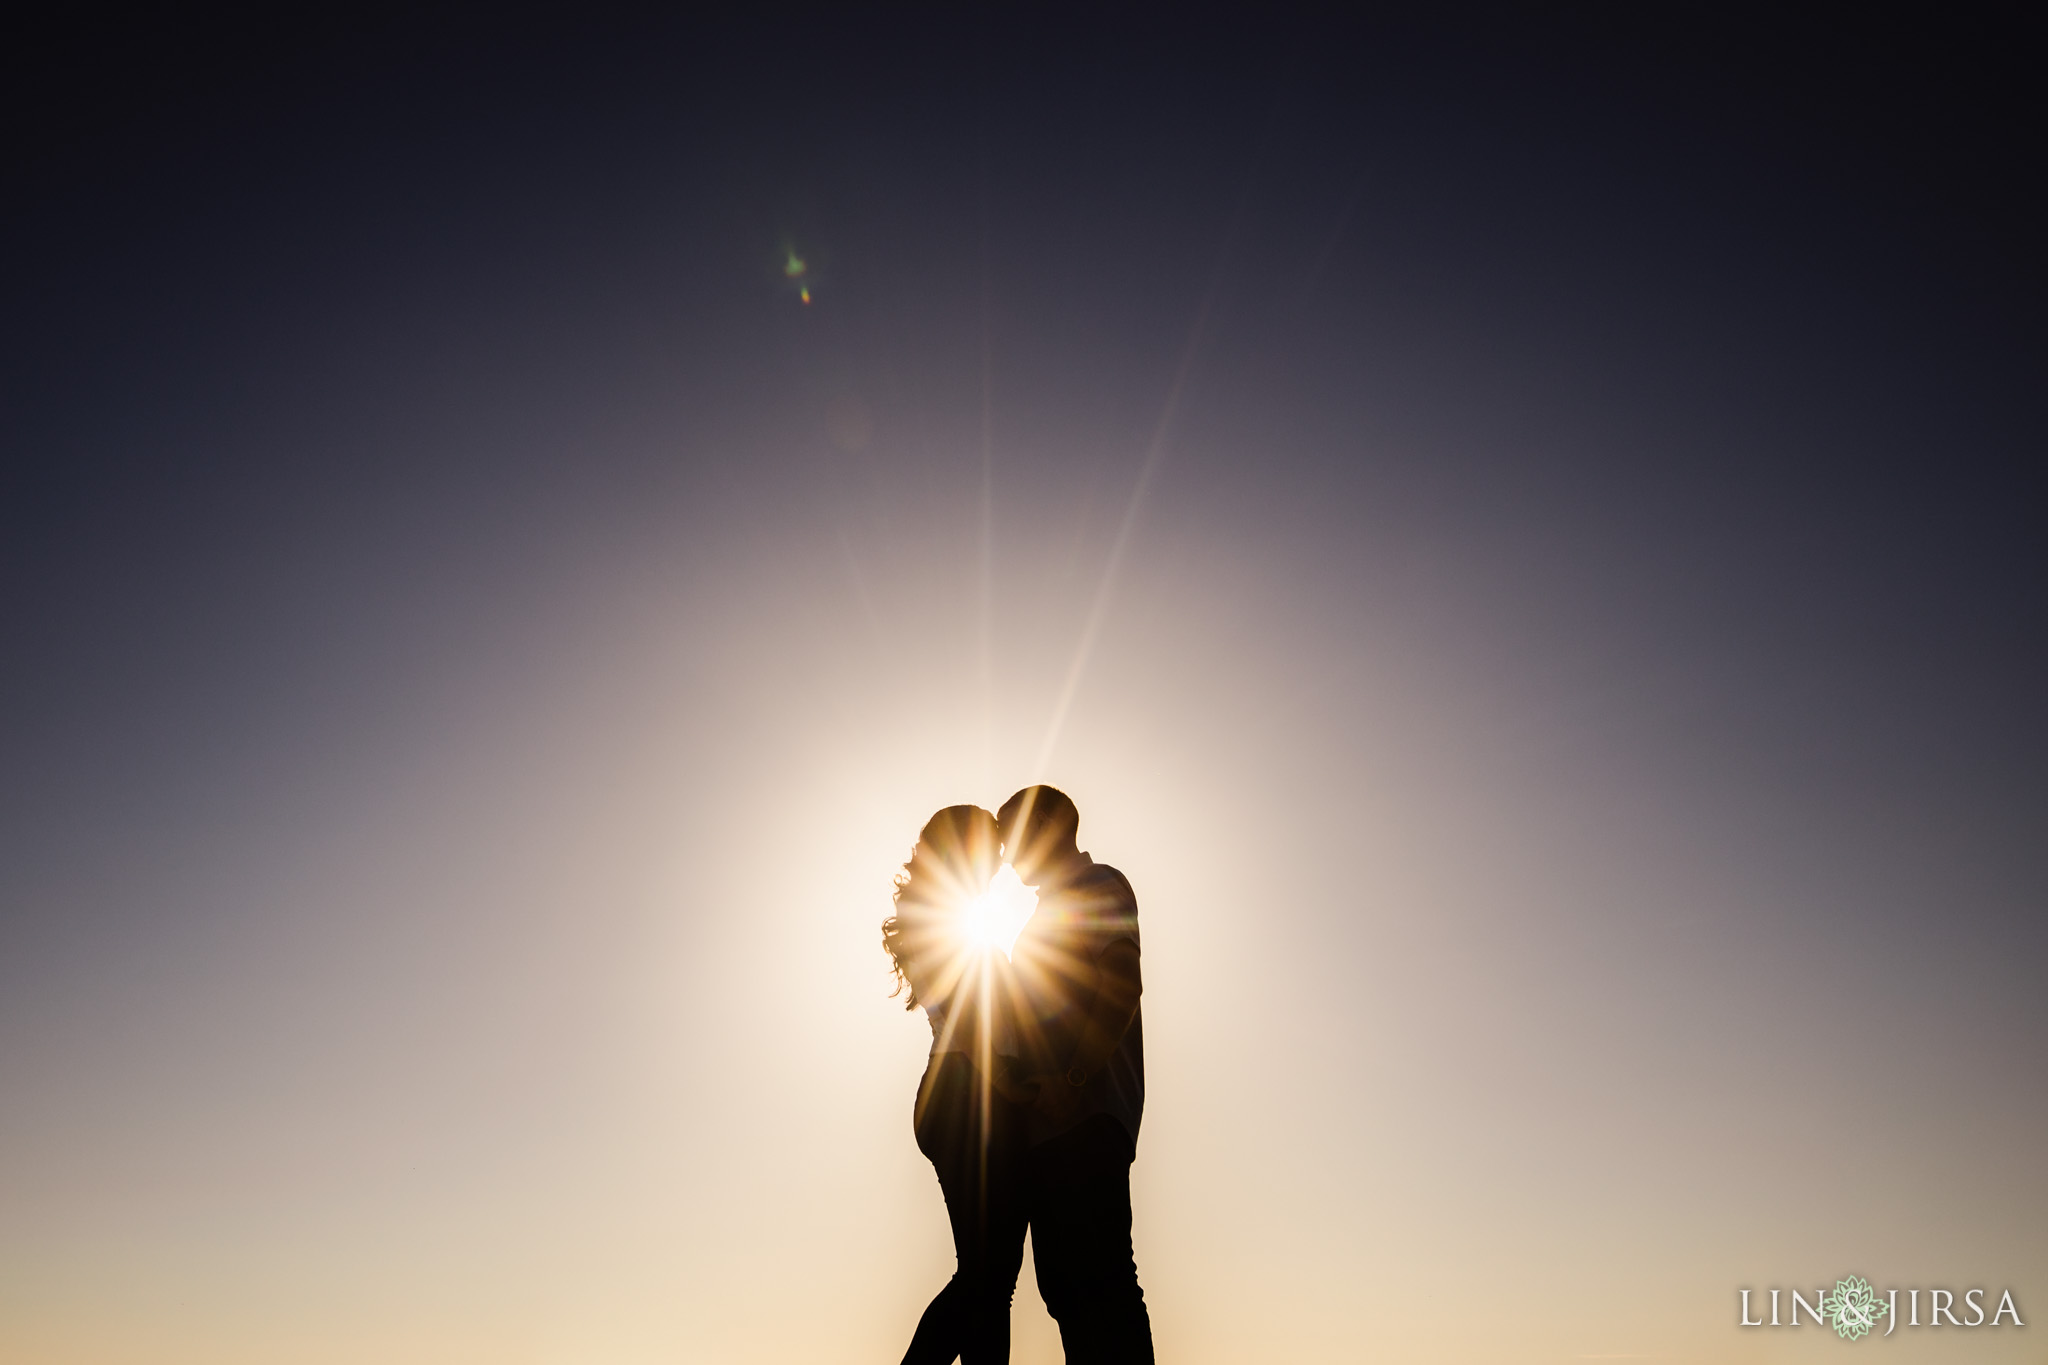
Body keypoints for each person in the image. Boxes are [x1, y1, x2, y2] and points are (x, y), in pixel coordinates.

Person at [999, 785, 1154, 1365]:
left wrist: (1075, 1080)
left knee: (1106, 1284)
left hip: (1088, 1120)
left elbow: (1121, 985)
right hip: (1045, 1130)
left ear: (1046, 824)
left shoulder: (1100, 885)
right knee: (1064, 1292)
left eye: (1011, 838)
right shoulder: (1032, 922)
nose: (1008, 860)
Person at [883, 805, 1032, 1365]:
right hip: (967, 1091)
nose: (998, 862)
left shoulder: (950, 916)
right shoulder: (938, 918)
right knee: (987, 1275)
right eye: (990, 849)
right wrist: (1010, 1086)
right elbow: (968, 1016)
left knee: (990, 1279)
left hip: (966, 1092)